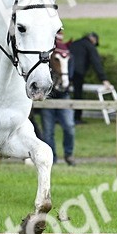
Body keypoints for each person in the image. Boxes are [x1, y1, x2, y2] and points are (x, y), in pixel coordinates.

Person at [41, 28, 76, 165]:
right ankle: (52, 158)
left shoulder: (66, 54)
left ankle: (68, 154)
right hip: (49, 95)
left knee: (69, 126)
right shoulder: (46, 53)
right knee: (48, 130)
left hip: (63, 95)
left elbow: (70, 73)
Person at [69, 32, 112, 123]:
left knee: (64, 94)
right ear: (94, 40)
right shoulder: (90, 46)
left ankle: (59, 116)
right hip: (78, 73)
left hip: (66, 71)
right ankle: (77, 118)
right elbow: (96, 63)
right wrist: (104, 79)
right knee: (78, 95)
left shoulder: (75, 43)